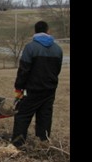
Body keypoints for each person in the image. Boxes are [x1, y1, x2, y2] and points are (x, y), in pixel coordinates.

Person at [11, 20, 63, 148]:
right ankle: (43, 144)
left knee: (22, 115)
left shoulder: (30, 47)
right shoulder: (58, 49)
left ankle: (18, 143)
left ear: (35, 31)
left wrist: (19, 89)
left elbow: (23, 70)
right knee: (45, 117)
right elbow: (57, 70)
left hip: (30, 90)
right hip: (50, 90)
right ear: (47, 31)